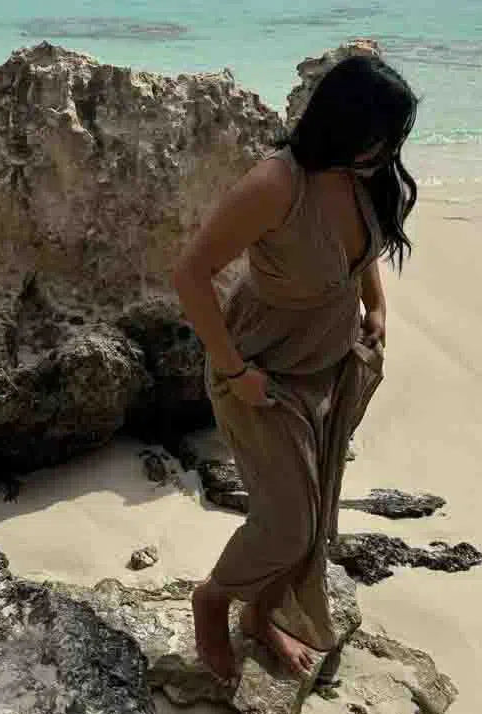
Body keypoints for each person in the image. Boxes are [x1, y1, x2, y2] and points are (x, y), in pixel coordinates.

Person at [173, 55, 418, 687]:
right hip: (263, 370)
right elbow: (190, 275)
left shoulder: (361, 173)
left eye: (395, 139)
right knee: (288, 521)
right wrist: (233, 370)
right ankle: (212, 600)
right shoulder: (276, 185)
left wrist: (377, 308)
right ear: (344, 122)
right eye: (382, 135)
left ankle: (262, 614)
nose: (390, 150)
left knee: (316, 509)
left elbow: (362, 252)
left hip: (330, 366)